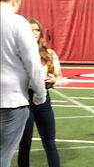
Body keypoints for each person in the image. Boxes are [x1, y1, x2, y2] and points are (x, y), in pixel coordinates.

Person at [0, 0, 46, 167]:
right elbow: (32, 63)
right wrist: (40, 94)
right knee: (3, 154)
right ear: (15, 1)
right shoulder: (18, 22)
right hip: (12, 100)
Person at [17, 19, 61, 167]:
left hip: (43, 101)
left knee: (50, 143)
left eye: (37, 30)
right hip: (24, 100)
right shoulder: (17, 54)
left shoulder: (49, 54)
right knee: (25, 144)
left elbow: (58, 77)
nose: (34, 33)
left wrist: (52, 81)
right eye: (30, 30)